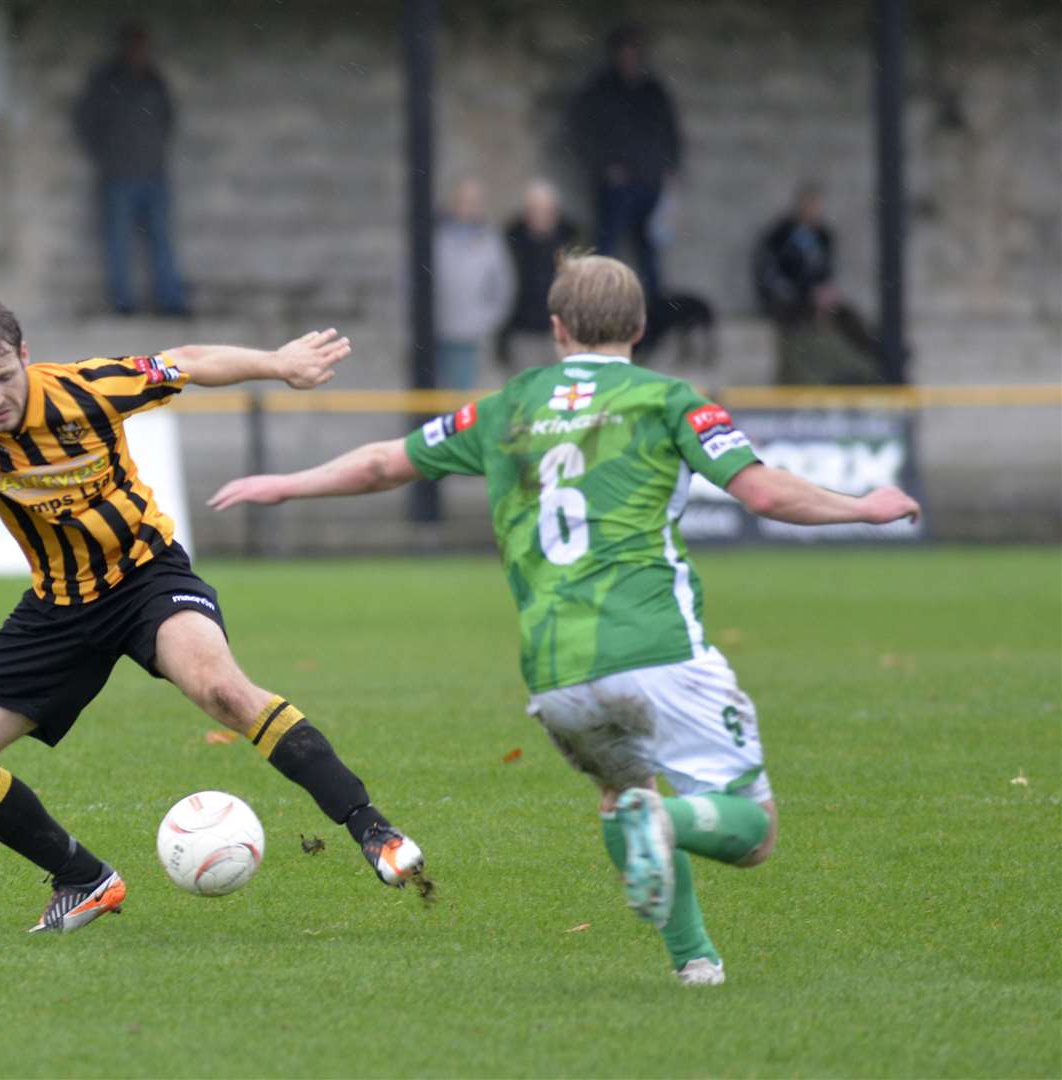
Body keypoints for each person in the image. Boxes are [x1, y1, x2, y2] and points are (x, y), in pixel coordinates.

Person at [208, 255, 920, 985]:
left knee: (624, 795)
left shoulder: (507, 406)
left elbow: (386, 463)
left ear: (555, 329)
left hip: (556, 672)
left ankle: (695, 965)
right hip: (657, 646)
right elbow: (764, 494)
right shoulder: (668, 399)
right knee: (753, 830)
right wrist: (862, 506)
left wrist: (285, 484)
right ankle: (669, 831)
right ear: (642, 327)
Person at [0, 296, 424, 932]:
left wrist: (277, 363)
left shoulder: (86, 390)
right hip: (59, 608)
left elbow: (187, 360)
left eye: (4, 377)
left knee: (222, 689)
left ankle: (374, 831)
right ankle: (83, 877)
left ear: (25, 356)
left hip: (146, 577)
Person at [73, 23, 189, 317]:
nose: (139, 52)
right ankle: (122, 303)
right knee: (119, 242)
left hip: (154, 175)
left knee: (161, 241)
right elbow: (87, 121)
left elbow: (168, 119)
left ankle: (170, 302)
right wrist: (108, 156)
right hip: (119, 177)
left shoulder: (154, 81)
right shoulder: (107, 81)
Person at [567, 26, 682, 296]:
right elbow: (581, 133)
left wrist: (670, 170)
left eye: (634, 52)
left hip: (650, 184)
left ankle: (654, 317)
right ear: (615, 54)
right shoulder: (600, 90)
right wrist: (605, 167)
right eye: (625, 51)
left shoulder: (653, 91)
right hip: (615, 186)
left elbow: (670, 133)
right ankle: (596, 305)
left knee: (649, 253)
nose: (630, 57)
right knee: (606, 248)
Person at [754, 182, 886, 384]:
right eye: (807, 205)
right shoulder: (779, 235)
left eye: (815, 206)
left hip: (816, 297)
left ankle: (878, 360)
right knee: (801, 323)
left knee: (849, 316)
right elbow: (770, 274)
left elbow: (826, 271)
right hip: (789, 298)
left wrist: (825, 293)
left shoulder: (824, 235)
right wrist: (801, 293)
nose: (811, 211)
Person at [434, 178, 515, 390]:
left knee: (469, 394)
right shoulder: (438, 238)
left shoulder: (490, 241)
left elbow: (503, 286)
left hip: (475, 334)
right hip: (440, 329)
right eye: (463, 201)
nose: (467, 207)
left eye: (473, 201)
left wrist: (486, 319)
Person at [497, 180, 578, 370]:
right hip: (522, 330)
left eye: (545, 210)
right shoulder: (513, 240)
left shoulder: (570, 240)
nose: (540, 216)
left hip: (560, 331)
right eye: (535, 209)